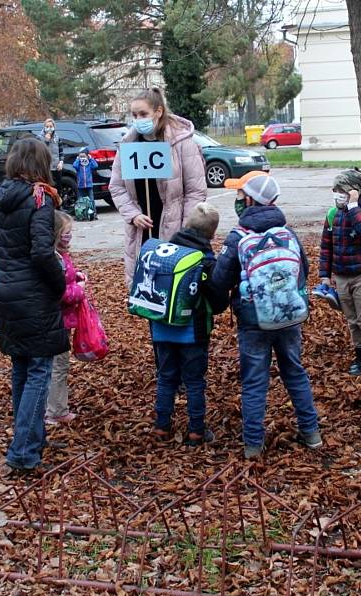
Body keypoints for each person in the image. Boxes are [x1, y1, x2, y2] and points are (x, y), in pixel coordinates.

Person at [0, 137, 67, 473]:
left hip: (6, 292)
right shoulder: (40, 199)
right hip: (34, 296)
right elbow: (42, 252)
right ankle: (23, 452)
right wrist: (60, 284)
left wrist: (9, 260)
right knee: (39, 371)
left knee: (23, 369)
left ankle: (31, 440)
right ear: (42, 164)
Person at [212, 174, 322, 458]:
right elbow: (304, 271)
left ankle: (252, 446)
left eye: (240, 195)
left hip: (253, 320)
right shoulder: (287, 233)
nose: (238, 200)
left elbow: (219, 281)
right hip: (289, 315)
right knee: (294, 371)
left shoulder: (239, 236)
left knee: (254, 380)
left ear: (250, 199)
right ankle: (311, 433)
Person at [109, 87, 207, 286]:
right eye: (134, 115)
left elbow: (195, 190)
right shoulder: (128, 144)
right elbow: (116, 187)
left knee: (172, 289)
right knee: (147, 290)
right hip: (141, 231)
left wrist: (185, 229)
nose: (138, 119)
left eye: (143, 114)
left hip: (174, 230)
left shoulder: (181, 142)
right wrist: (133, 214)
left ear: (158, 112)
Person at [150, 202, 229, 446]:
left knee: (166, 378)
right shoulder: (205, 261)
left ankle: (161, 427)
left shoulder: (164, 253)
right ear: (212, 234)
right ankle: (196, 430)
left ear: (185, 225)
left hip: (162, 329)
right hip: (192, 333)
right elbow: (218, 302)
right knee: (194, 381)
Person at [319, 167, 361, 376]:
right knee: (352, 319)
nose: (337, 193)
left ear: (353, 191)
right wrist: (325, 276)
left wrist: (354, 206)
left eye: (341, 189)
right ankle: (360, 353)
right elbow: (327, 245)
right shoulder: (333, 214)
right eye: (335, 189)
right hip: (341, 275)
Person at [45, 210, 85, 426]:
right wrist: (80, 289)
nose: (70, 236)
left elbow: (65, 277)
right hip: (57, 321)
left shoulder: (59, 255)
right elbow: (61, 293)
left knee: (53, 365)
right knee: (58, 366)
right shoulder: (54, 258)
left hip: (59, 321)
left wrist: (76, 275)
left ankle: (51, 407)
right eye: (67, 232)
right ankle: (56, 410)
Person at [40, 118, 64, 195]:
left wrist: (61, 162)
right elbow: (40, 151)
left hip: (57, 168)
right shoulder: (40, 137)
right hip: (46, 168)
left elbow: (61, 151)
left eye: (51, 126)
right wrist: (46, 140)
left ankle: (58, 205)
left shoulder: (57, 137)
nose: (49, 128)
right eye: (47, 126)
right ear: (44, 127)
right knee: (47, 188)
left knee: (58, 187)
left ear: (54, 127)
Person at [73, 147, 99, 219]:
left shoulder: (89, 164)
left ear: (87, 156)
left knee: (91, 200)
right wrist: (78, 160)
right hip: (81, 185)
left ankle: (94, 213)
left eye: (84, 156)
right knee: (80, 200)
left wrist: (91, 159)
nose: (82, 158)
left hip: (89, 185)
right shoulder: (78, 164)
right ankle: (79, 213)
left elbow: (96, 165)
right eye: (81, 156)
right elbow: (74, 165)